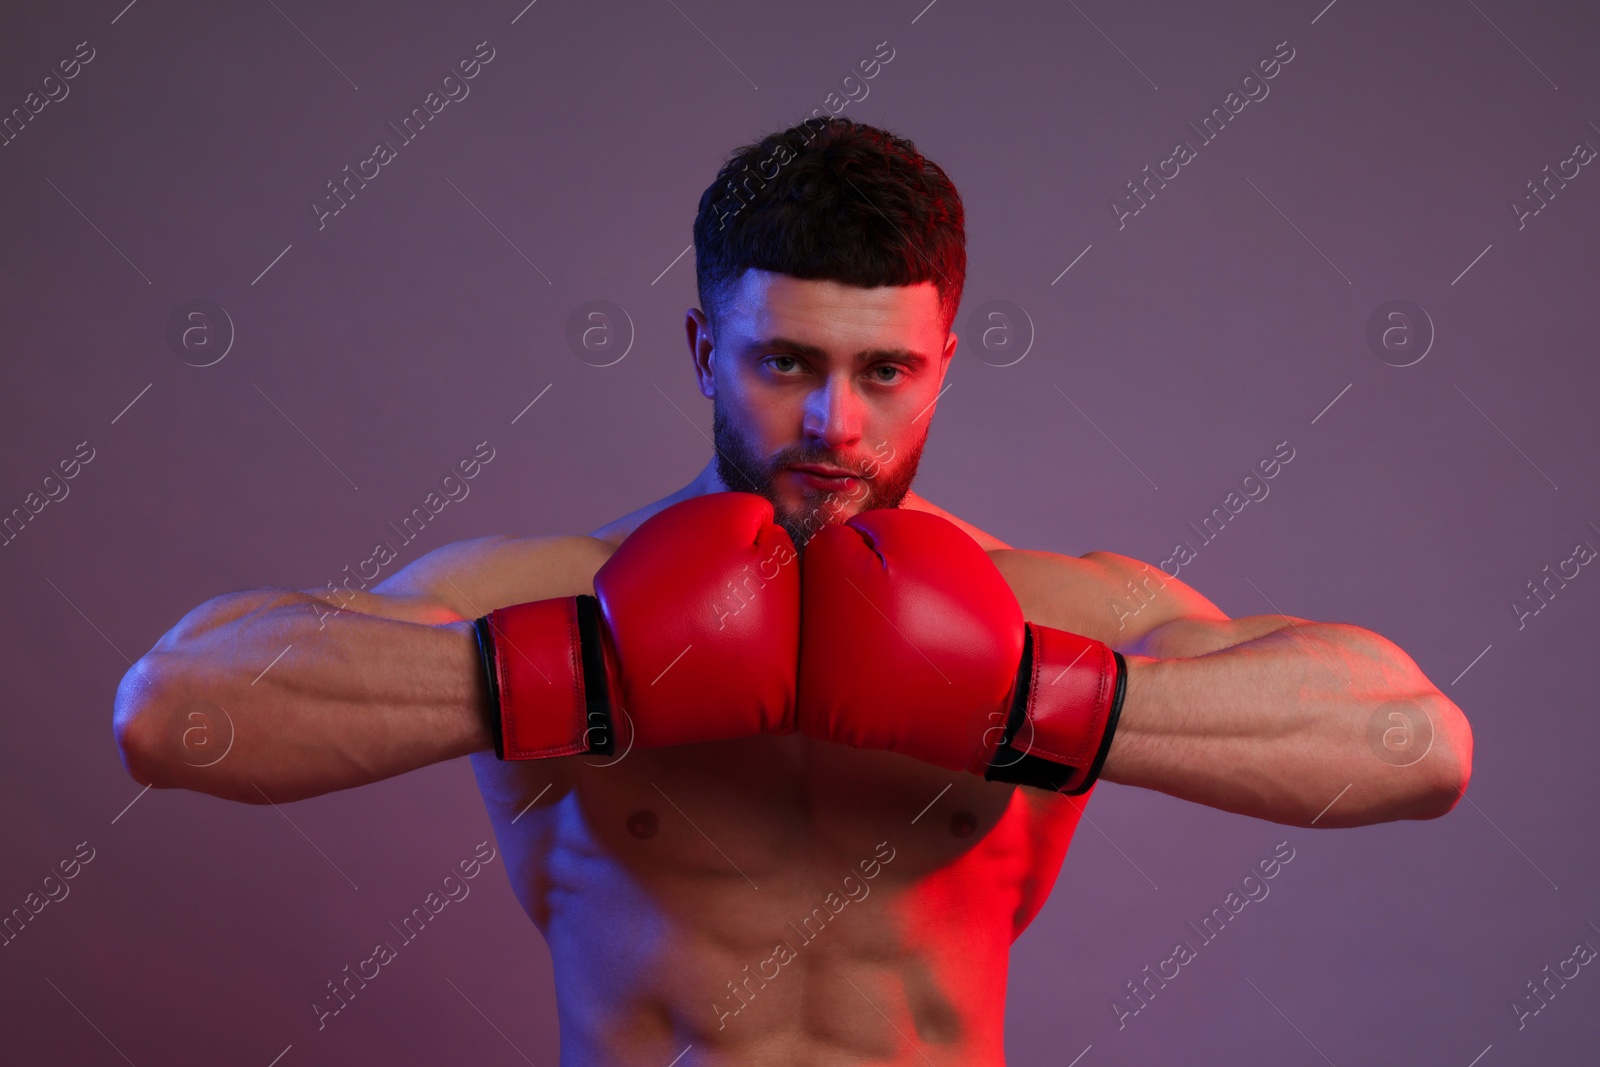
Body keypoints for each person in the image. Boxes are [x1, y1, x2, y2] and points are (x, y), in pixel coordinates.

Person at [111, 116, 1472, 1065]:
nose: (834, 423)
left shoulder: (1051, 612)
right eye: (784, 363)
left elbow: (1418, 747)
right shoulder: (554, 591)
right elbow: (170, 714)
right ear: (705, 349)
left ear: (945, 359)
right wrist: (579, 673)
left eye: (886, 372)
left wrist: (1034, 697)